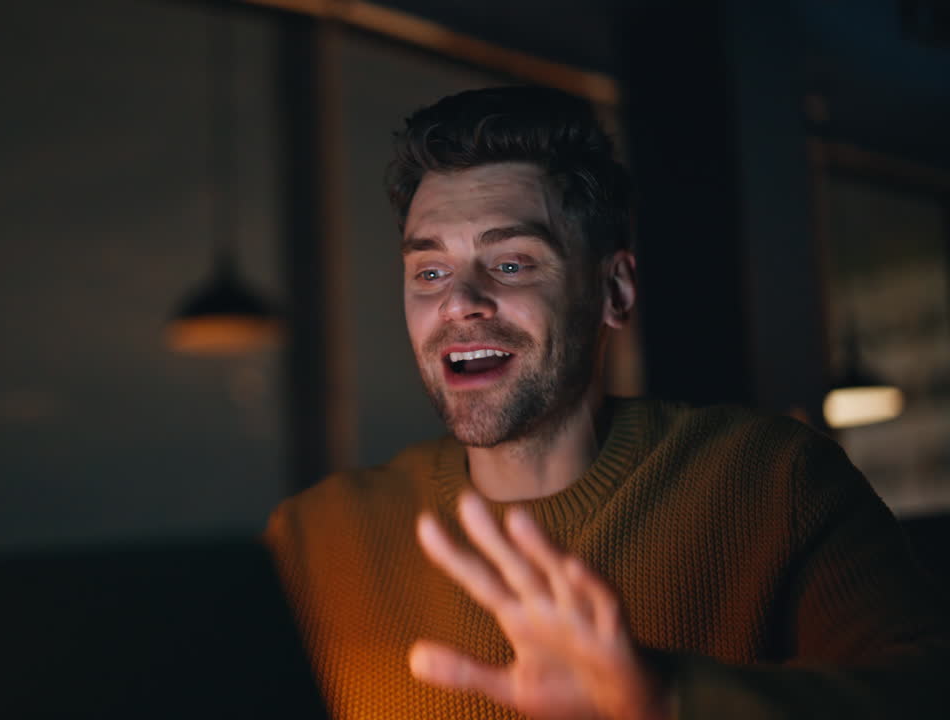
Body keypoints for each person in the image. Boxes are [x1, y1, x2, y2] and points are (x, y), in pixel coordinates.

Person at [263, 86, 949, 720]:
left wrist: (666, 701)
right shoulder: (311, 539)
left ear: (615, 290)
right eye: (429, 271)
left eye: (510, 264)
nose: (458, 302)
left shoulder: (775, 480)